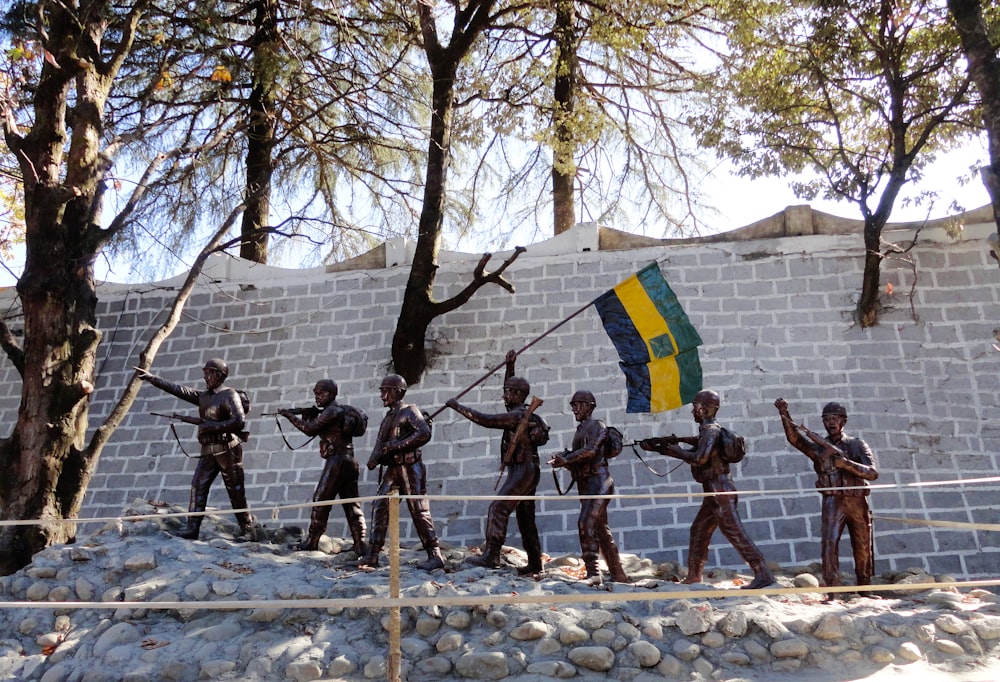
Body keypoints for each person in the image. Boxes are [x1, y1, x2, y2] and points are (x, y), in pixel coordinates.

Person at [639, 389, 774, 589]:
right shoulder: (707, 431)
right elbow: (696, 446)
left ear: (703, 408)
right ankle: (694, 575)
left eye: (695, 406)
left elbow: (700, 457)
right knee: (699, 530)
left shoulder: (711, 430)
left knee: (735, 533)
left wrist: (673, 451)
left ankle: (763, 573)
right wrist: (667, 445)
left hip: (720, 490)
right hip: (713, 491)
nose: (693, 410)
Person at [446, 350, 550, 574]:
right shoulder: (519, 412)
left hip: (523, 470)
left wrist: (458, 407)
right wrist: (510, 367)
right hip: (526, 469)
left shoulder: (517, 416)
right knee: (525, 518)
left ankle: (492, 555)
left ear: (517, 394)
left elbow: (485, 420)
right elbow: (510, 393)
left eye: (507, 392)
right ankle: (535, 563)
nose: (504, 395)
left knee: (498, 509)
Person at [137, 358, 256, 540]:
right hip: (208, 449)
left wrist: (210, 427)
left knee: (235, 489)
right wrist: (153, 379)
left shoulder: (229, 395)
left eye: (209, 373)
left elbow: (239, 421)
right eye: (205, 372)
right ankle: (192, 528)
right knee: (198, 486)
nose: (205, 377)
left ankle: (247, 529)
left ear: (220, 375)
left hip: (228, 449)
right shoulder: (204, 397)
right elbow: (179, 390)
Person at [774, 398, 878, 593]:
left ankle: (865, 586)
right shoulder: (819, 448)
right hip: (833, 501)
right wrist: (783, 413)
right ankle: (832, 588)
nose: (830, 423)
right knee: (829, 544)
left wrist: (846, 464)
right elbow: (795, 439)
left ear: (843, 421)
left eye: (834, 418)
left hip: (857, 501)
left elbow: (872, 473)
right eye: (826, 419)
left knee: (863, 544)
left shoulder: (857, 445)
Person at [361, 374, 443, 571]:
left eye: (385, 390)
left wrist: (395, 446)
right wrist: (374, 458)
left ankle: (435, 555)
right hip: (393, 469)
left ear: (398, 392)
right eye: (381, 391)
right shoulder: (388, 417)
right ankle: (373, 554)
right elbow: (381, 444)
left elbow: (424, 433)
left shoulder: (409, 411)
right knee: (380, 504)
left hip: (410, 467)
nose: (382, 395)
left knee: (418, 509)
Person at [278, 379, 368, 554]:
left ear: (332, 394)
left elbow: (309, 429)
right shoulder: (334, 411)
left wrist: (289, 416)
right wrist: (310, 415)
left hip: (338, 461)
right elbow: (322, 429)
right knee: (351, 504)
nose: (317, 397)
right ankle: (360, 543)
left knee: (321, 499)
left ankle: (312, 541)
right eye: (316, 393)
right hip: (348, 460)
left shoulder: (332, 411)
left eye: (321, 393)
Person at [550, 390, 628, 586]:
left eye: (579, 404)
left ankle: (593, 573)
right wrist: (563, 459)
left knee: (586, 523)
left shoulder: (597, 425)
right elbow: (580, 456)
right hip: (585, 483)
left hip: (598, 482)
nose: (575, 409)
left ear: (590, 406)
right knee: (601, 529)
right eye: (573, 405)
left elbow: (591, 451)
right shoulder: (580, 431)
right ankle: (618, 573)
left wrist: (567, 458)